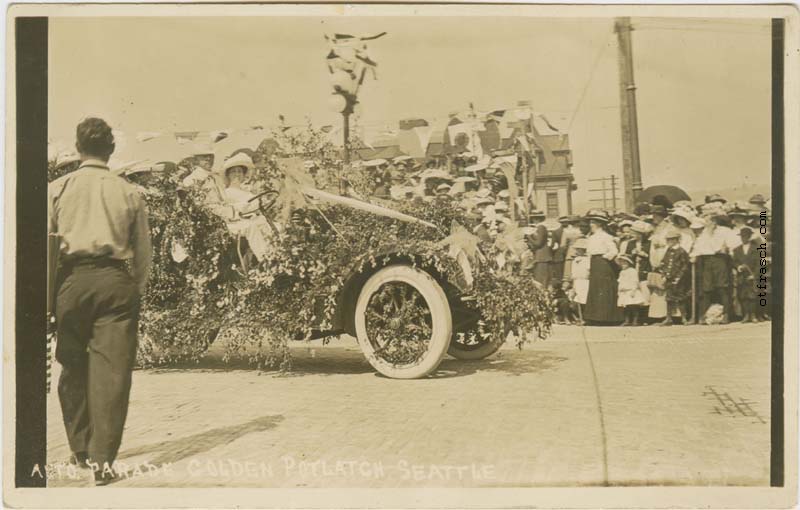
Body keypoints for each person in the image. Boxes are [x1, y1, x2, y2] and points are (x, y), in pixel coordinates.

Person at [48, 118, 152, 485]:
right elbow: (143, 253)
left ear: (78, 148)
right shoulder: (129, 192)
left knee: (72, 365)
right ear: (110, 150)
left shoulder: (57, 188)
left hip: (71, 282)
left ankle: (79, 449)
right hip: (114, 283)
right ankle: (102, 462)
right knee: (112, 375)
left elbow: (44, 248)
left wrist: (50, 297)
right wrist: (132, 289)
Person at [690, 205, 740, 323]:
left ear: (714, 221)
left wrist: (727, 251)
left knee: (722, 287)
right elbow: (698, 247)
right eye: (706, 220)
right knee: (706, 289)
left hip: (720, 260)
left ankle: (727, 315)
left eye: (708, 220)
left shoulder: (725, 231)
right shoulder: (704, 233)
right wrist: (693, 256)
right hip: (706, 261)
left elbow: (734, 245)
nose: (707, 223)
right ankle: (703, 316)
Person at [583, 210, 624, 324]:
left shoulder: (606, 237)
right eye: (590, 222)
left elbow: (614, 251)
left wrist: (604, 258)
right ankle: (594, 317)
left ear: (599, 224)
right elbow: (589, 253)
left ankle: (606, 318)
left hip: (603, 264)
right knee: (595, 289)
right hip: (594, 263)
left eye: (593, 222)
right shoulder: (591, 237)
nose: (591, 224)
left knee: (604, 289)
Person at [660, 227, 692, 326]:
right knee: (669, 298)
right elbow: (664, 263)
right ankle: (669, 318)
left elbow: (685, 266)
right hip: (669, 278)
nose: (668, 241)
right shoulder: (668, 250)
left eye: (671, 239)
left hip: (679, 279)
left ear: (677, 240)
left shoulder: (681, 251)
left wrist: (679, 277)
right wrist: (664, 275)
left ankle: (684, 318)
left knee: (680, 298)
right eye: (668, 239)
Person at [732, 227, 762, 322]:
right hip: (742, 276)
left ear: (749, 237)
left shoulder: (756, 249)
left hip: (752, 275)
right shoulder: (737, 250)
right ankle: (746, 315)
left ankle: (753, 315)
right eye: (742, 236)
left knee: (752, 295)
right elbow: (734, 262)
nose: (743, 238)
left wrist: (755, 275)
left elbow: (759, 263)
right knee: (743, 295)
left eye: (745, 236)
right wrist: (738, 267)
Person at [525, 210, 553, 287]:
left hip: (542, 257)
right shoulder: (539, 227)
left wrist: (529, 237)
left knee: (541, 280)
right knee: (541, 280)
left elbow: (538, 243)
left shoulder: (541, 227)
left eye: (535, 218)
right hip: (540, 256)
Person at [616, 254, 645, 326]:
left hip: (631, 291)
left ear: (628, 263)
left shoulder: (632, 271)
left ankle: (635, 320)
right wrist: (619, 290)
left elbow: (635, 281)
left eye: (625, 263)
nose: (623, 265)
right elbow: (620, 282)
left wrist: (634, 290)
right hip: (624, 292)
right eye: (621, 263)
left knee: (634, 306)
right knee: (626, 307)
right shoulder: (622, 272)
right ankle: (627, 320)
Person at [570, 238, 590, 324]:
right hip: (577, 281)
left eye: (579, 249)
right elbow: (573, 272)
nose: (577, 251)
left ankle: (584, 318)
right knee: (576, 300)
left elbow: (588, 270)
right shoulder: (575, 260)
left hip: (585, 281)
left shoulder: (587, 260)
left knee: (583, 299)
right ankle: (579, 317)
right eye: (577, 249)